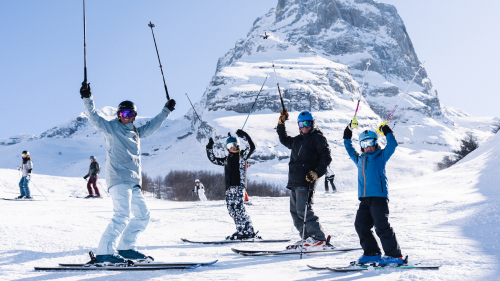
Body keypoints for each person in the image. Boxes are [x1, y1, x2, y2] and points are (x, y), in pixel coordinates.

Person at [80, 81, 176, 264]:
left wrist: (167, 110)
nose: (126, 116)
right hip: (118, 180)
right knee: (121, 216)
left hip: (133, 182)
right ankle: (104, 253)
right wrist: (87, 97)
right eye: (123, 113)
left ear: (134, 117)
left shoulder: (137, 133)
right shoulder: (111, 128)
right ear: (118, 115)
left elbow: (154, 124)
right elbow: (93, 117)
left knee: (143, 215)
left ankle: (125, 248)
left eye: (130, 114)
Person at [343, 124, 404, 265]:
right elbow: (349, 148)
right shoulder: (359, 159)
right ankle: (372, 253)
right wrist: (347, 135)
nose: (368, 146)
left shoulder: (381, 156)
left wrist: (387, 131)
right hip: (364, 199)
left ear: (376, 143)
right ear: (361, 146)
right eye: (364, 143)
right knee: (361, 225)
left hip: (379, 197)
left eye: (371, 143)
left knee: (381, 226)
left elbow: (392, 144)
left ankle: (394, 255)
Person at [276, 110, 333, 250]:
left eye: (307, 123)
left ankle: (318, 238)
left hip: (306, 181)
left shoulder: (318, 138)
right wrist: (281, 123)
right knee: (295, 212)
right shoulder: (297, 140)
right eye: (301, 124)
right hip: (294, 181)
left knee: (303, 210)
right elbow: (284, 139)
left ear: (312, 124)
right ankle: (307, 238)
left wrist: (316, 173)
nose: (304, 127)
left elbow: (326, 158)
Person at [206, 129, 259, 240]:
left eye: (235, 144)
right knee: (232, 209)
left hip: (239, 186)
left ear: (238, 145)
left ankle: (249, 231)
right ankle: (241, 230)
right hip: (229, 188)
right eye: (230, 145)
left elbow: (251, 147)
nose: (233, 147)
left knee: (239, 208)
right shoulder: (226, 159)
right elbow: (213, 159)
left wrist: (244, 135)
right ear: (227, 147)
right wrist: (209, 147)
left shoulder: (242, 156)